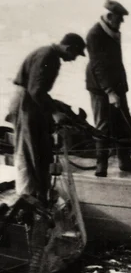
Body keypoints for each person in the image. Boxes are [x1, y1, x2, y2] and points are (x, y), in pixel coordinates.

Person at [6, 33, 86, 204]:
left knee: (34, 149)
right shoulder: (48, 56)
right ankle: (27, 197)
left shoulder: (48, 54)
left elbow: (38, 91)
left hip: (29, 102)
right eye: (75, 55)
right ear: (69, 48)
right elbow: (36, 90)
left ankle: (35, 193)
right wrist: (55, 113)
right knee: (26, 151)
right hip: (25, 103)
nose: (73, 59)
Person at [86, 0, 131, 177]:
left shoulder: (112, 31)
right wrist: (110, 92)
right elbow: (98, 65)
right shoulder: (95, 34)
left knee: (124, 123)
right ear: (110, 17)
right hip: (100, 88)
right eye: (119, 19)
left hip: (117, 87)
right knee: (103, 126)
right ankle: (101, 165)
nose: (121, 23)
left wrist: (118, 90)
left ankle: (125, 162)